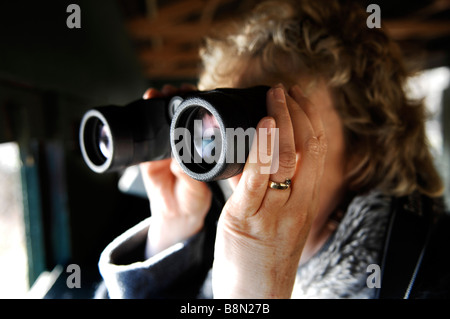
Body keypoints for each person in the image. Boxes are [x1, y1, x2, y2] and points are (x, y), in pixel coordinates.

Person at [96, 0, 449, 299]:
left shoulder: (427, 273)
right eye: (225, 128)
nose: (250, 159)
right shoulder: (211, 240)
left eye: (277, 127)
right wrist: (171, 232)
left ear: (365, 149)